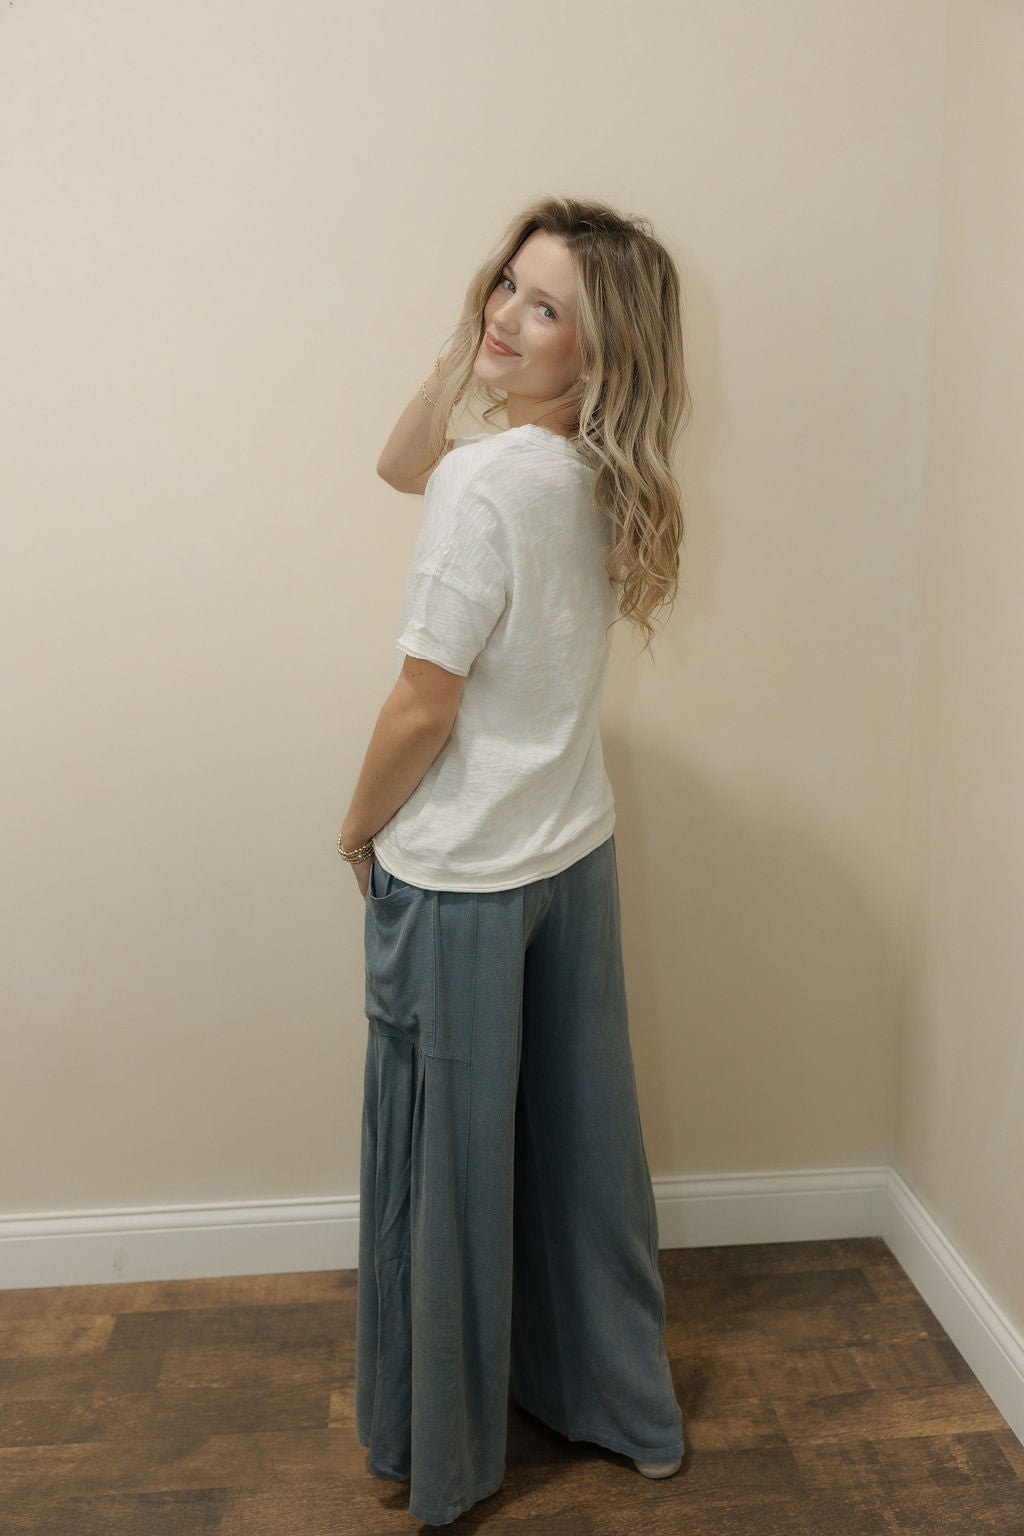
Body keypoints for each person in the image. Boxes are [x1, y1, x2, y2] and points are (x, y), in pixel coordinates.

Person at [337, 195, 692, 1527]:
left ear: (599, 351)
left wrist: (355, 828)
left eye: (547, 310)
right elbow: (398, 462)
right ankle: (627, 1411)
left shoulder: (486, 484)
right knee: (581, 1158)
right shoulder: (601, 472)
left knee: (443, 1179)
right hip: (570, 853)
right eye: (506, 285)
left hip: (462, 880)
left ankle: (440, 1455)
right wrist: (476, 343)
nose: (507, 315)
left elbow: (422, 706)